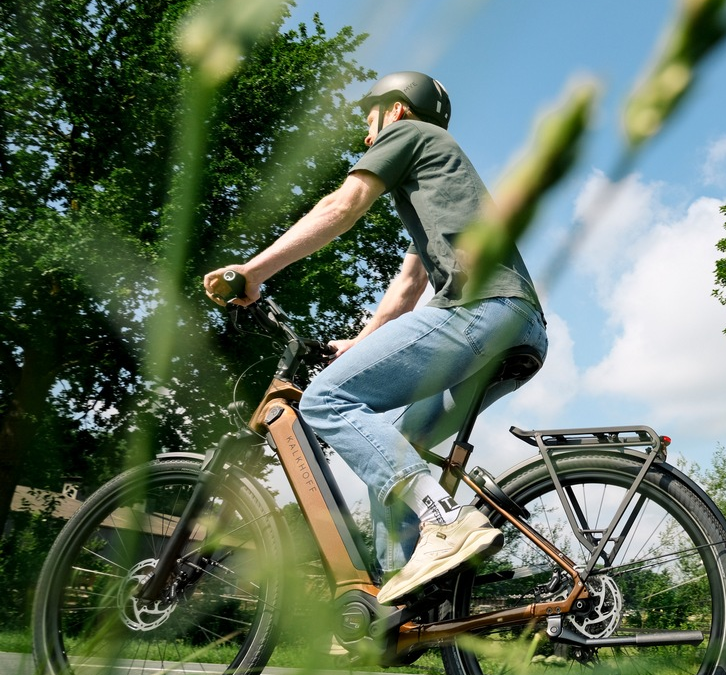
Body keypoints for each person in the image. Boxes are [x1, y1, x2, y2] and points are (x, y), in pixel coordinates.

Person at [203, 71, 548, 605]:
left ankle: (446, 521)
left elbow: (341, 208)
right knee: (393, 450)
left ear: (398, 110)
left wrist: (252, 271)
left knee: (326, 399)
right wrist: (362, 342)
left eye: (371, 120)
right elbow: (407, 287)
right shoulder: (443, 185)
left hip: (480, 311)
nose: (369, 137)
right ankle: (407, 603)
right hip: (520, 324)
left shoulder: (411, 136)